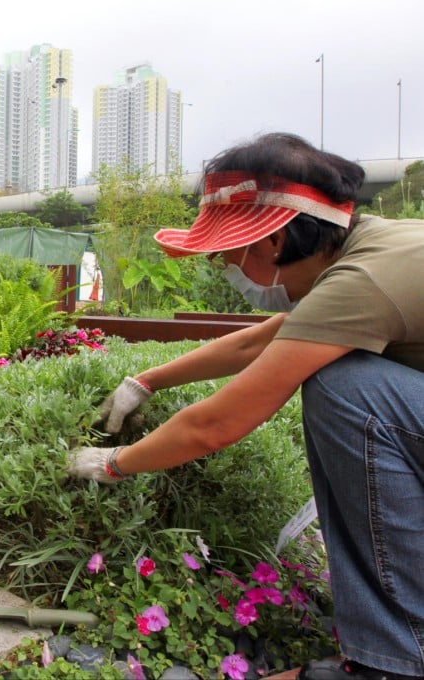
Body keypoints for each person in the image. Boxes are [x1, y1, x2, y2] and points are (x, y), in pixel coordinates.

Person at [68, 132, 424, 680]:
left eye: (227, 253)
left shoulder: (362, 282)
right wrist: (144, 382)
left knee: (346, 390)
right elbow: (256, 341)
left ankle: (401, 657)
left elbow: (217, 424)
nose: (223, 266)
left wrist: (111, 463)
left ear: (275, 241)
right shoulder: (368, 247)